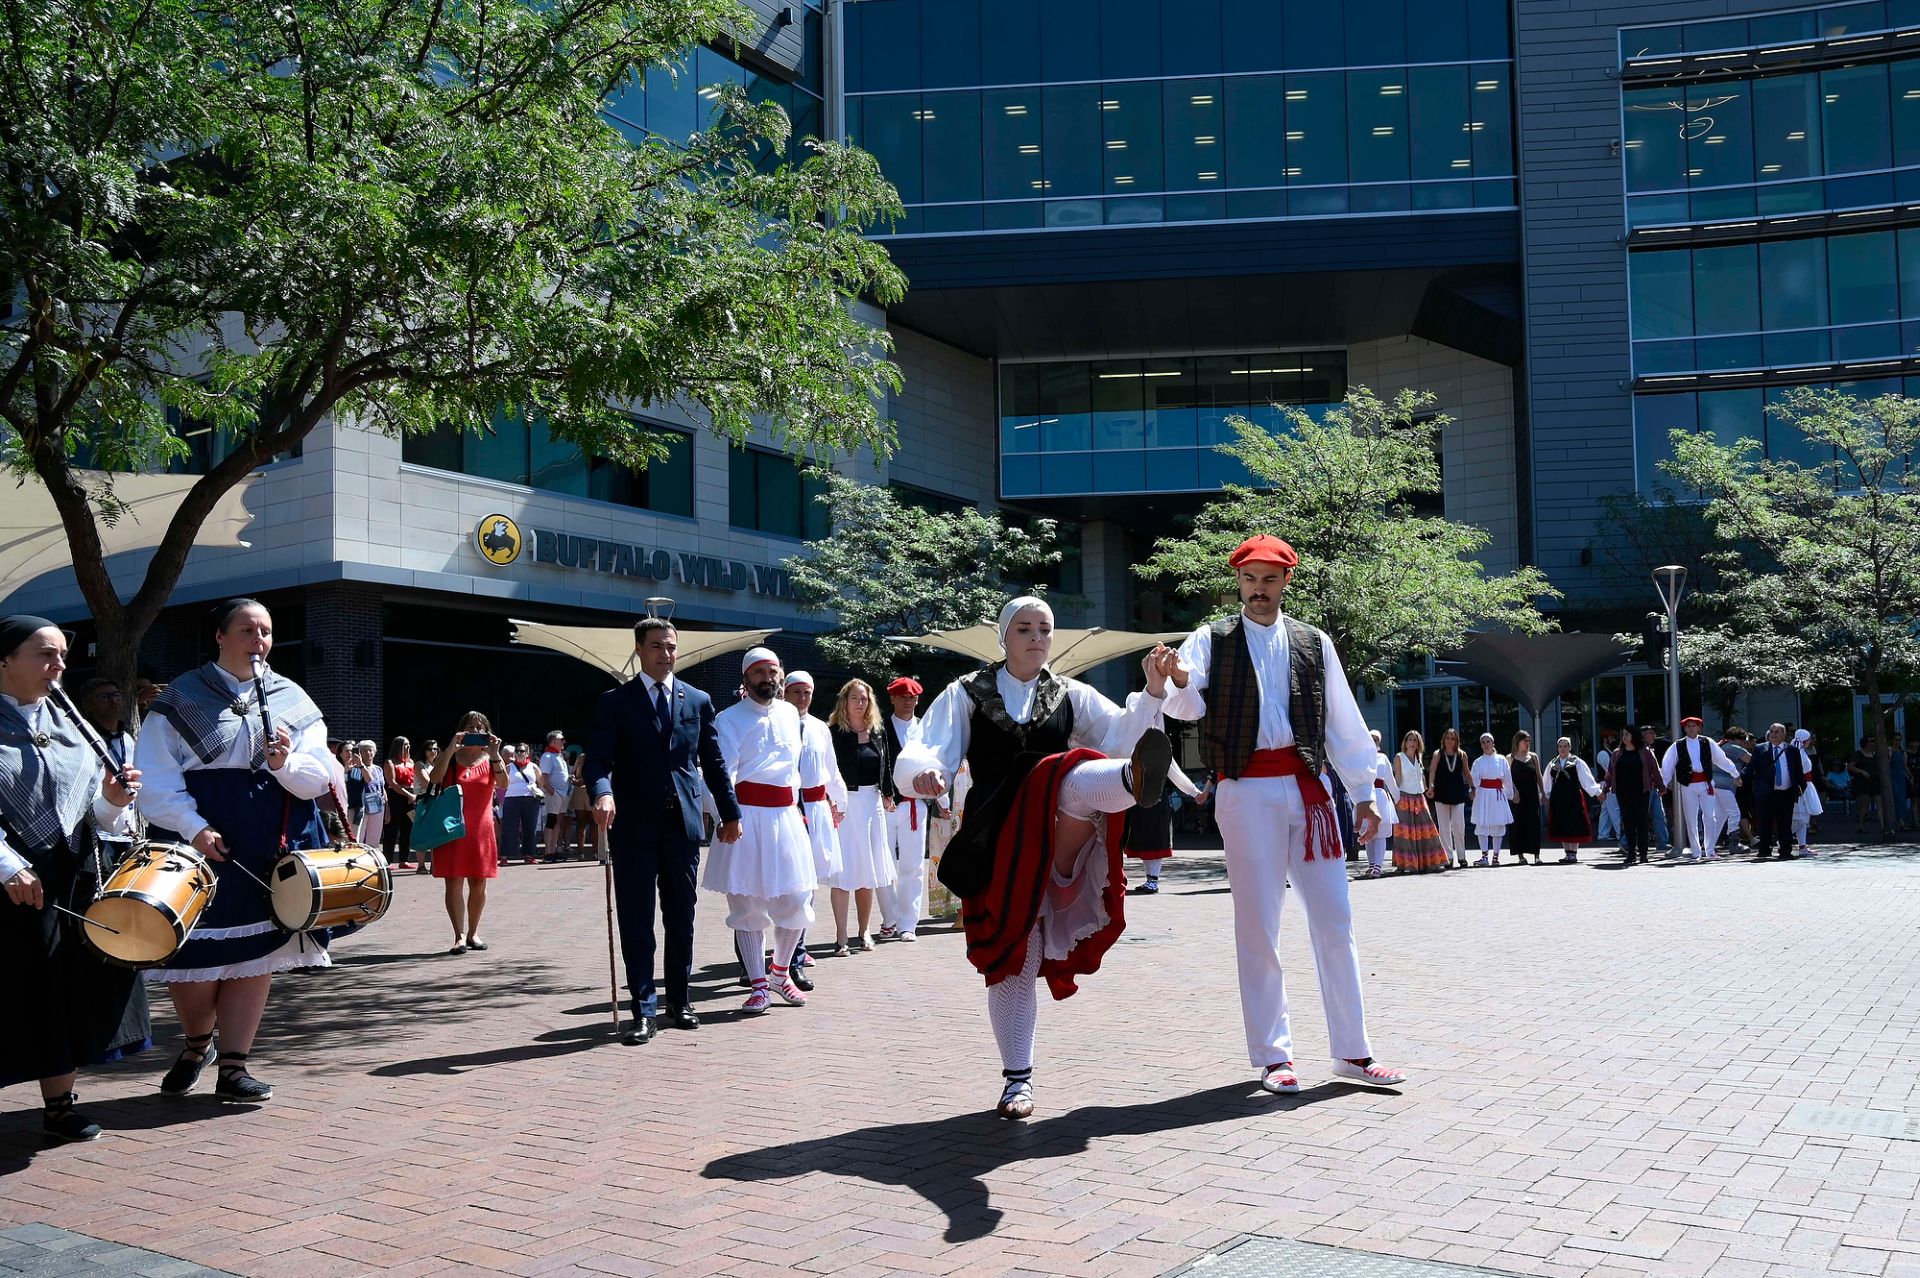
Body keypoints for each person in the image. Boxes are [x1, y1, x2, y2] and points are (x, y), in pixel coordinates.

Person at [899, 595, 1172, 1119]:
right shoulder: (966, 694)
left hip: (1054, 826)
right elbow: (928, 746)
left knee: (1065, 773)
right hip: (997, 835)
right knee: (1014, 961)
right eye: (1023, 628)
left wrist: (1154, 690)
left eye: (1044, 628)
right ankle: (1016, 1080)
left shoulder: (1071, 693)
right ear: (1003, 636)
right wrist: (923, 774)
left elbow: (1120, 734)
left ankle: (1129, 780)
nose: (1036, 637)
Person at [1161, 536, 1407, 1096]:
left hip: (1310, 790)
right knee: (1258, 924)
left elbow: (1342, 719)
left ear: (1285, 582)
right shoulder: (1211, 638)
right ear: (1239, 582)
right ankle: (1274, 1056)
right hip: (1245, 791)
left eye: (1269, 580)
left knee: (1335, 920)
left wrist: (1364, 792)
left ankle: (1353, 1051)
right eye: (1250, 580)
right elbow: (1188, 701)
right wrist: (1175, 676)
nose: (1259, 590)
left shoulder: (1313, 642)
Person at [137, 598, 335, 1103]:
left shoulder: (291, 699)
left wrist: (285, 765)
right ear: (220, 637)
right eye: (247, 630)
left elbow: (318, 779)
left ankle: (235, 1065)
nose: (259, 641)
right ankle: (197, 1043)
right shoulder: (179, 699)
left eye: (266, 632)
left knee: (254, 956)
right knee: (190, 962)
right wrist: (194, 828)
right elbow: (156, 781)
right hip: (195, 842)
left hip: (267, 843)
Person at [0, 616, 149, 1140]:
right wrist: (6, 864)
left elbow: (93, 814)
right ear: (4, 661)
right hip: (8, 880)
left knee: (62, 988)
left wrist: (111, 798)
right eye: (44, 655)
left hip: (68, 875)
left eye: (61, 654)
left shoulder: (71, 728)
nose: (58, 665)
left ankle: (59, 1105)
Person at [586, 617, 740, 1045]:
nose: (666, 654)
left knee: (681, 918)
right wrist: (602, 793)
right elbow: (598, 761)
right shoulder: (615, 702)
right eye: (657, 646)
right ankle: (643, 1010)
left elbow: (714, 763)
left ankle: (680, 1000)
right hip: (633, 825)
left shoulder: (698, 700)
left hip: (683, 825)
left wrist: (731, 814)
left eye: (671, 646)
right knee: (637, 920)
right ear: (639, 649)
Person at [708, 649, 816, 1014]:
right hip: (745, 818)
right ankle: (757, 984)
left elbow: (795, 770)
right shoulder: (729, 719)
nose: (767, 677)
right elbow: (721, 774)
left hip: (785, 816)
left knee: (797, 898)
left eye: (773, 671)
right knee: (748, 903)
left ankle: (780, 974)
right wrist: (726, 816)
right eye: (759, 672)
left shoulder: (790, 713)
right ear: (745, 679)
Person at [783, 670, 845, 972]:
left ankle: (798, 947)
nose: (803, 697)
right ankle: (777, 954)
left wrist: (839, 800)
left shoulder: (820, 728)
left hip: (816, 809)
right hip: (787, 808)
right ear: (785, 693)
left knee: (808, 883)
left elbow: (831, 769)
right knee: (787, 882)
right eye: (797, 692)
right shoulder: (778, 723)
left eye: (807, 692)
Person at [429, 711, 506, 953]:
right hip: (452, 828)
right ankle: (459, 935)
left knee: (478, 882)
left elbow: (503, 784)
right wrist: (451, 748)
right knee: (453, 881)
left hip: (481, 830)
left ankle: (473, 933)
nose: (474, 730)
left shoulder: (491, 758)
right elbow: (434, 778)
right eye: (470, 727)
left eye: (480, 727)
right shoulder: (450, 757)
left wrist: (494, 755)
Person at [828, 678, 895, 954]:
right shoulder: (833, 731)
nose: (860, 703)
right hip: (845, 804)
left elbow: (886, 764)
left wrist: (888, 793)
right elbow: (827, 769)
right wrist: (830, 800)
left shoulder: (877, 730)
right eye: (855, 698)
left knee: (867, 872)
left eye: (864, 699)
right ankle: (841, 936)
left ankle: (864, 930)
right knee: (844, 873)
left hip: (871, 804)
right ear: (845, 701)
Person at [879, 676, 928, 942]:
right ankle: (890, 918)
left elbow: (934, 765)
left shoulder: (925, 729)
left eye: (912, 697)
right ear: (893, 699)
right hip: (886, 805)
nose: (908, 702)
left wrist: (941, 801)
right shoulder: (879, 728)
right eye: (903, 697)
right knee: (884, 863)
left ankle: (908, 923)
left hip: (915, 805)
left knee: (912, 865)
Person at [1659, 717, 1741, 862]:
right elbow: (1667, 764)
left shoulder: (1707, 742)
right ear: (1684, 729)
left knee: (1710, 816)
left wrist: (1735, 773)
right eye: (1688, 726)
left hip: (1706, 784)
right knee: (1691, 818)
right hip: (1687, 785)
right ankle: (1696, 852)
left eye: (1694, 726)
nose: (1691, 728)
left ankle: (1710, 850)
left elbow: (1721, 759)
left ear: (1699, 728)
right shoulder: (1678, 745)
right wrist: (1664, 784)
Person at [1126, 761, 1202, 895]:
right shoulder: (1134, 746)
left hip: (1155, 797)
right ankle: (1150, 879)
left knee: (1155, 839)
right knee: (1144, 840)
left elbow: (1175, 774)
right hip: (1137, 797)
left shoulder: (1160, 748)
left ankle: (1153, 880)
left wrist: (1194, 792)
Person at [1745, 722, 1807, 860]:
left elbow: (1798, 772)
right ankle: (1764, 850)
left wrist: (1801, 788)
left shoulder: (1792, 750)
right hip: (1766, 792)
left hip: (1786, 793)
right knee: (1764, 822)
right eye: (1772, 731)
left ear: (1784, 735)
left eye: (1777, 731)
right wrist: (1739, 778)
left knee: (1785, 823)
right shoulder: (1760, 749)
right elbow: (1751, 768)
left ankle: (1785, 851)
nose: (1773, 734)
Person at [1600, 726, 1661, 865]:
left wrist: (1661, 787)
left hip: (1642, 791)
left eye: (1627, 734)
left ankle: (1643, 854)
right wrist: (1605, 790)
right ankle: (1631, 853)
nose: (1625, 736)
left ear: (1634, 736)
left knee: (1642, 822)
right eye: (1623, 734)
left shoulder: (1645, 752)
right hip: (1623, 792)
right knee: (1628, 823)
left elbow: (1655, 770)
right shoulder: (1617, 753)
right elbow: (1609, 774)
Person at [1391, 730, 1445, 873]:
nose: (1412, 743)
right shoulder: (1399, 757)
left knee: (1426, 829)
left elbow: (1420, 776)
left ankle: (1431, 862)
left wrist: (1427, 788)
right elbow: (1397, 778)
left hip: (1419, 797)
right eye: (1410, 740)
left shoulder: (1419, 757)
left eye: (1415, 740)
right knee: (1405, 832)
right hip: (1404, 796)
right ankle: (1404, 864)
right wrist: (1394, 797)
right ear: (1405, 742)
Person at [1545, 737, 1601, 862]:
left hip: (1573, 797)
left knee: (1574, 822)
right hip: (1558, 798)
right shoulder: (1553, 763)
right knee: (1562, 823)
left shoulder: (1577, 762)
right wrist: (1545, 796)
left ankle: (1573, 853)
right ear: (1557, 748)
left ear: (1570, 748)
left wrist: (1597, 792)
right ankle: (1567, 853)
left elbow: (1586, 780)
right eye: (1560, 746)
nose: (1563, 748)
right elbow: (1547, 781)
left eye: (1565, 746)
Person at [1356, 730, 1399, 878]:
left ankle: (1378, 865)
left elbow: (1390, 780)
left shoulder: (1383, 758)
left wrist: (1397, 796)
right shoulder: (1360, 757)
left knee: (1380, 832)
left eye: (1375, 739)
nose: (1373, 741)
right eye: (1370, 739)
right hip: (1366, 795)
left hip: (1380, 796)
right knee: (1368, 831)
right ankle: (1372, 864)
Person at [1426, 726, 1469, 869]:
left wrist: (1473, 788)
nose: (1450, 740)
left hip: (1457, 793)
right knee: (1444, 827)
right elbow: (1432, 771)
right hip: (1441, 793)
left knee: (1459, 825)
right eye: (1447, 738)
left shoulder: (1462, 754)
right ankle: (1448, 857)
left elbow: (1467, 773)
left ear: (1456, 740)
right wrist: (1431, 786)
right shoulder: (1438, 754)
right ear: (1443, 740)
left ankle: (1462, 857)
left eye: (1452, 738)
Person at [1468, 733, 1514, 866]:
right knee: (1482, 824)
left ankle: (1496, 856)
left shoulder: (1501, 760)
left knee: (1498, 825)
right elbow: (1474, 780)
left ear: (1493, 743)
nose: (1486, 744)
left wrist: (1509, 794)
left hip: (1497, 795)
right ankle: (1484, 856)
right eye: (1483, 742)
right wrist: (1472, 791)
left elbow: (1507, 779)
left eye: (1488, 741)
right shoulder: (1478, 762)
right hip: (1482, 795)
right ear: (1481, 745)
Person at [499, 743, 544, 866]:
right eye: (517, 751)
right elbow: (501, 782)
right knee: (509, 828)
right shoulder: (509, 767)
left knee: (530, 828)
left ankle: (529, 855)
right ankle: (504, 856)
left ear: (527, 753)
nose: (519, 753)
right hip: (512, 799)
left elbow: (541, 781)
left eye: (522, 751)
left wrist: (535, 789)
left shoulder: (533, 766)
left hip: (530, 799)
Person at [1507, 730, 1545, 866]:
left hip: (1532, 794)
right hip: (1517, 796)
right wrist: (1514, 791)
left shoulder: (1533, 757)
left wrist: (1543, 793)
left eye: (1529, 741)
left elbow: (1539, 776)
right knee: (1518, 824)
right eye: (1525, 741)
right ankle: (1520, 855)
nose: (1528, 743)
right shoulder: (1510, 757)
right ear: (1518, 742)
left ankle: (1537, 855)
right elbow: (1508, 778)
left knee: (1534, 823)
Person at [1715, 728, 1754, 854]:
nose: (1745, 744)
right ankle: (1734, 844)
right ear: (1737, 739)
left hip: (1713, 784)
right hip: (1725, 785)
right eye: (1744, 740)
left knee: (1720, 816)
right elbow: (1752, 760)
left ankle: (1708, 845)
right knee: (1735, 813)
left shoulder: (1718, 745)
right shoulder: (1733, 747)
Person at [383, 737, 418, 871]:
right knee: (392, 828)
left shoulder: (411, 762)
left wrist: (413, 795)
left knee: (408, 828)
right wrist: (408, 794)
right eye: (404, 745)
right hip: (396, 796)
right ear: (398, 746)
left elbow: (414, 781)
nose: (407, 748)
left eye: (408, 745)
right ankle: (388, 859)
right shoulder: (390, 762)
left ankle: (404, 859)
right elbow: (392, 783)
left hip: (411, 796)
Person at [537, 730, 573, 862]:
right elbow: (543, 776)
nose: (564, 741)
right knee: (551, 821)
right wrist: (551, 791)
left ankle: (553, 850)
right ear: (553, 741)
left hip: (562, 794)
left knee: (558, 822)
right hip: (555, 793)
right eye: (561, 739)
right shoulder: (547, 756)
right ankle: (548, 853)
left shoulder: (559, 755)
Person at [1790, 729, 1824, 854]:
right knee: (1801, 817)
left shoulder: (1799, 751)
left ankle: (1802, 846)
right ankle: (1785, 838)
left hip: (1805, 785)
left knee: (1803, 817)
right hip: (1802, 786)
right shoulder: (1798, 752)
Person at [1642, 724, 1673, 853]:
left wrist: (1661, 785)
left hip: (1654, 787)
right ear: (1643, 736)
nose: (1654, 735)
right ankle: (1625, 841)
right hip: (1645, 788)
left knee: (1660, 815)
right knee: (1641, 815)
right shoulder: (1641, 750)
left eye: (1653, 732)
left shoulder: (1651, 749)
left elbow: (1655, 770)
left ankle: (1663, 842)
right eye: (1650, 733)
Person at [415, 740, 441, 874]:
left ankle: (434, 864)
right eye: (429, 749)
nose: (433, 751)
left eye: (435, 749)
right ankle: (420, 865)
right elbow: (426, 783)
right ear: (424, 751)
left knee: (435, 833)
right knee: (422, 833)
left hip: (437, 800)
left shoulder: (439, 765)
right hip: (424, 800)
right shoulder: (419, 765)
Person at [357, 740, 386, 847]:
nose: (368, 753)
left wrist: (387, 808)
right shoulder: (356, 768)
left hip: (378, 805)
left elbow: (382, 788)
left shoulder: (378, 769)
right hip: (362, 805)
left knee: (374, 836)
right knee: (359, 835)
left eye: (370, 750)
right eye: (365, 750)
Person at [1594, 731, 1620, 847]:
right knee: (1614, 809)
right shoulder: (1603, 754)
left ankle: (1603, 834)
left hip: (1607, 783)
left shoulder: (1608, 752)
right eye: (1611, 737)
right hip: (1606, 784)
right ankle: (1620, 833)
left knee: (1606, 810)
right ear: (1605, 740)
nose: (1613, 740)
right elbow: (1609, 771)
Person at [1851, 735, 1885, 828]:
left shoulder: (1875, 754)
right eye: (1870, 742)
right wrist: (1862, 771)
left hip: (1875, 780)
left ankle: (1883, 826)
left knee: (1880, 803)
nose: (1872, 744)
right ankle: (1861, 824)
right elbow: (1850, 766)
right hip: (1864, 781)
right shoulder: (1858, 754)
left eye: (1873, 742)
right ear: (1865, 744)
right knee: (1865, 804)